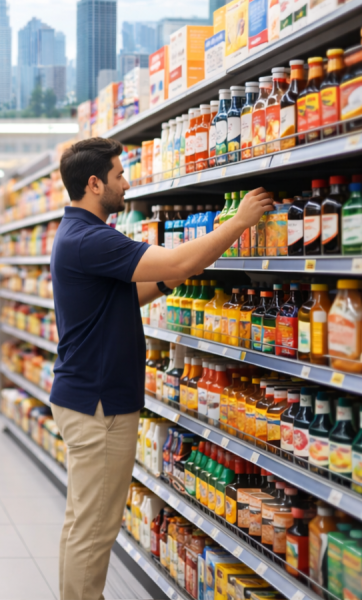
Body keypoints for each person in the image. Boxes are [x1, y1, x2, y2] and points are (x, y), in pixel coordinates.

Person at [49, 137, 274, 600]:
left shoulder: (75, 234)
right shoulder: (89, 238)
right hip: (100, 403)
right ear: (94, 184)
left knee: (83, 521)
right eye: (118, 175)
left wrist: (172, 278)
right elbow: (179, 257)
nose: (126, 183)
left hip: (86, 396)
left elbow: (121, 297)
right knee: (94, 528)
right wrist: (239, 223)